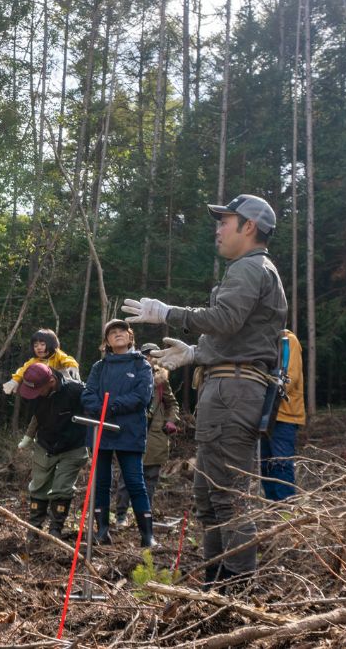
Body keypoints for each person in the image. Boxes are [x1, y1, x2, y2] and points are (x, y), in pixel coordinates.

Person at [123, 193, 287, 587]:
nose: (217, 228)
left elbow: (225, 319)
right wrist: (196, 353)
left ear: (248, 227)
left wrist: (168, 314)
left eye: (224, 221)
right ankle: (217, 582)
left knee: (227, 494)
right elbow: (239, 334)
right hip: (228, 385)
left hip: (233, 392)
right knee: (209, 495)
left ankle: (236, 587)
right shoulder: (252, 269)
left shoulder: (250, 268)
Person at [81, 319, 154, 548]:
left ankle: (147, 534)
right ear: (107, 341)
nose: (118, 334)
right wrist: (100, 407)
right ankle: (102, 531)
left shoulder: (142, 365)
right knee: (101, 482)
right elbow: (88, 395)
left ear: (130, 336)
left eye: (122, 330)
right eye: (112, 332)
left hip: (130, 431)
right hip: (100, 430)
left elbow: (142, 397)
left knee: (134, 481)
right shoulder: (99, 367)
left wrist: (110, 405)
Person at [16, 363, 87, 540]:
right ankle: (34, 527)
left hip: (73, 446)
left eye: (38, 390)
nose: (34, 395)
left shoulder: (76, 391)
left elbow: (95, 410)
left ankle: (55, 529)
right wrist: (28, 437)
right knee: (38, 486)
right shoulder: (33, 394)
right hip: (45, 444)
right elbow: (37, 416)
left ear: (52, 381)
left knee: (62, 488)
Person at [112, 342, 179, 528]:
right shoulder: (129, 375)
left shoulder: (162, 380)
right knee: (127, 477)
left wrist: (171, 420)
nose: (150, 358)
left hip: (155, 436)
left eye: (154, 355)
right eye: (146, 355)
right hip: (131, 432)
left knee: (150, 478)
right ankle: (120, 516)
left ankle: (144, 516)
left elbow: (172, 404)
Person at [3, 330, 79, 450]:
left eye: (42, 344)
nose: (39, 348)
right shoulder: (33, 362)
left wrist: (72, 366)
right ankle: (28, 437)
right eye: (35, 345)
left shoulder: (57, 355)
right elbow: (23, 370)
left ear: (51, 344)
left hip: (62, 392)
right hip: (45, 395)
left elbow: (67, 359)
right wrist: (15, 381)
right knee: (38, 415)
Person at [260, 330, 304, 501]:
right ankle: (274, 512)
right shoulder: (261, 341)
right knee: (265, 467)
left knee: (282, 465)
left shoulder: (288, 341)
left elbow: (288, 379)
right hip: (263, 417)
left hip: (283, 415)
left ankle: (287, 512)